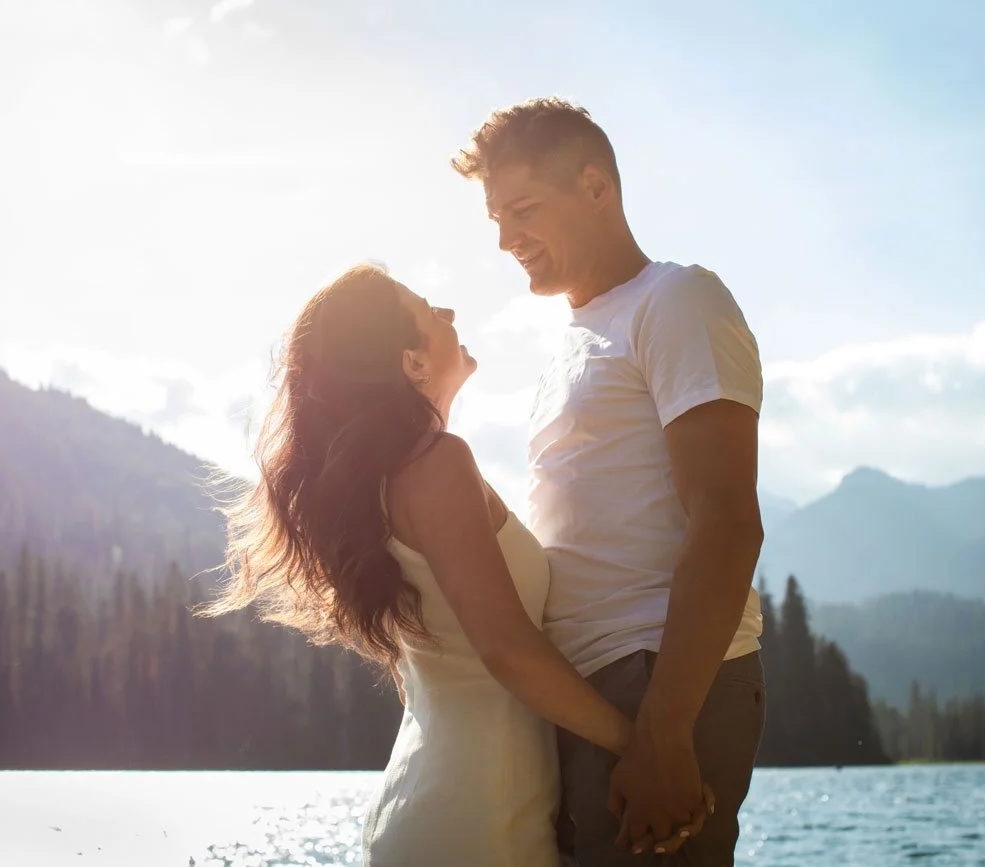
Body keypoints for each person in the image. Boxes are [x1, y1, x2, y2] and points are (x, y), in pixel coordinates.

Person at [200, 264, 705, 866]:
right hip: (479, 814)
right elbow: (507, 650)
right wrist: (645, 748)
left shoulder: (386, 486)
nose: (451, 316)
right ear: (411, 362)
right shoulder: (437, 464)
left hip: (439, 801)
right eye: (430, 311)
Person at [451, 97, 767, 865]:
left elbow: (726, 521)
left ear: (597, 188)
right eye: (495, 219)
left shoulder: (677, 300)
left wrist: (663, 731)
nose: (505, 239)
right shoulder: (573, 338)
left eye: (522, 209)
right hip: (596, 697)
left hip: (660, 679)